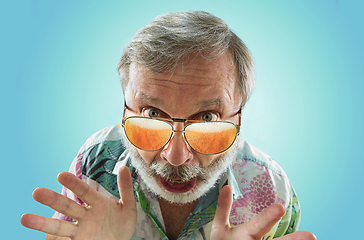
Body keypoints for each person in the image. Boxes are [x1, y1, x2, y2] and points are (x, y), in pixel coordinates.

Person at [21, 10, 316, 240]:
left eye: (207, 118)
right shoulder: (94, 167)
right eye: (152, 114)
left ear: (239, 116)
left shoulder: (272, 191)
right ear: (125, 109)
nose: (175, 156)